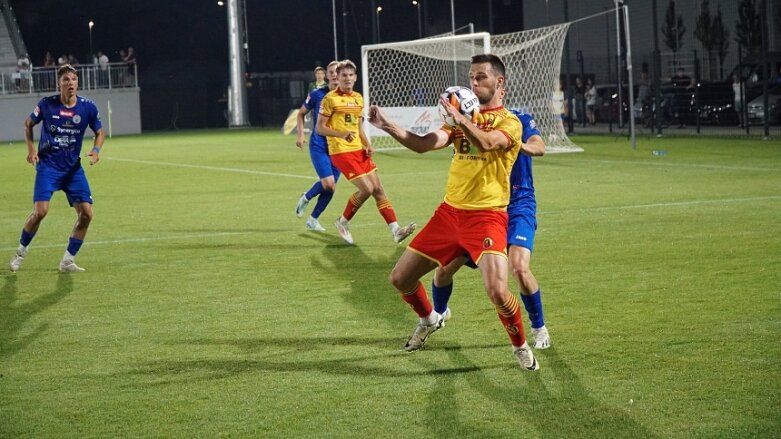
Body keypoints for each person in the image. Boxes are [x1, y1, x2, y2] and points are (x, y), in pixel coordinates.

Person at [368, 53, 540, 371]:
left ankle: (520, 345)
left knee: (497, 291)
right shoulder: (458, 121)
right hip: (448, 215)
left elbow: (489, 143)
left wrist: (461, 118)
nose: (473, 83)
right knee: (400, 278)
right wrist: (388, 126)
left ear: (499, 82)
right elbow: (424, 143)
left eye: (481, 78)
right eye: (471, 77)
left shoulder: (509, 122)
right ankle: (430, 318)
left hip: (487, 217)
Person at [429, 108, 550, 350]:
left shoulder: (517, 119)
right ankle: (438, 314)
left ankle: (539, 328)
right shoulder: (470, 122)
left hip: (517, 203)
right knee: (443, 270)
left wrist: (515, 146)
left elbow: (539, 147)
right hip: (480, 208)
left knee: (519, 267)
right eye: (473, 80)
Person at [8, 64, 105, 273]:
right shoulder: (47, 104)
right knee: (41, 211)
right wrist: (31, 150)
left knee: (87, 214)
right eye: (66, 80)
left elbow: (100, 132)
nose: (70, 83)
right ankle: (20, 252)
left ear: (78, 82)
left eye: (73, 79)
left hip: (72, 170)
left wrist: (96, 151)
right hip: (49, 167)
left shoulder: (88, 107)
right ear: (58, 84)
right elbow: (27, 124)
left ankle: (67, 261)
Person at [316, 59, 415, 245]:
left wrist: (367, 144)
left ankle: (396, 230)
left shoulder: (358, 98)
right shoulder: (330, 99)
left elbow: (358, 128)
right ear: (338, 77)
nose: (347, 78)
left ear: (355, 77)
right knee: (367, 189)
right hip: (340, 152)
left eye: (350, 75)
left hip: (358, 150)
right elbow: (319, 128)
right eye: (343, 75)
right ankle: (342, 222)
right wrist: (340, 134)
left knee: (378, 189)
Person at [294, 61, 341, 232]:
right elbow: (301, 113)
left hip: (339, 147)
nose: (335, 74)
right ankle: (306, 197)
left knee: (332, 187)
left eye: (338, 71)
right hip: (319, 145)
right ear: (327, 75)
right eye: (331, 72)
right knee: (328, 183)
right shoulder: (317, 94)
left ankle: (313, 220)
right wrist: (300, 134)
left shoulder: (347, 97)